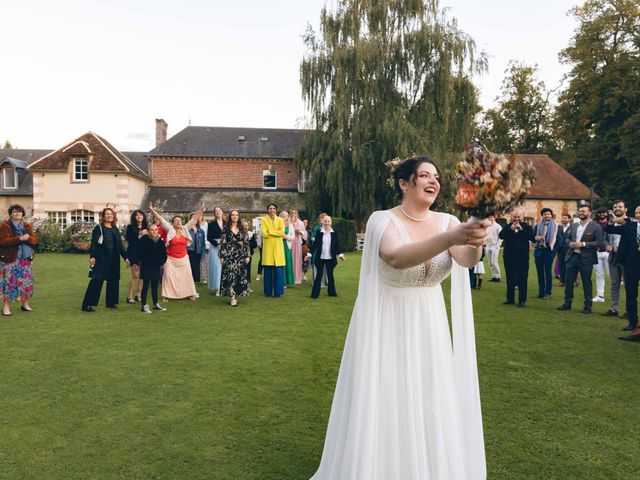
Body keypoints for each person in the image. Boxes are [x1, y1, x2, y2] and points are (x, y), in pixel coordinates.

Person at [310, 156, 488, 479]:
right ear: (404, 183)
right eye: (424, 175)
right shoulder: (382, 221)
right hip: (387, 322)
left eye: (436, 176)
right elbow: (395, 257)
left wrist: (475, 241)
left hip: (429, 323)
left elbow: (465, 259)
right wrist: (452, 238)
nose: (433, 181)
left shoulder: (448, 221)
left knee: (428, 398)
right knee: (389, 395)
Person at [149, 203, 203, 301]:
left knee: (187, 276)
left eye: (180, 220)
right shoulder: (170, 229)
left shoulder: (185, 229)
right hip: (170, 258)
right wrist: (153, 211)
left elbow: (194, 219)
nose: (178, 222)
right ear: (173, 223)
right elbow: (161, 219)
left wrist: (201, 210)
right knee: (168, 276)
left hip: (183, 258)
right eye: (176, 221)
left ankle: (189, 293)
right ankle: (166, 295)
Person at [557, 204, 604, 314]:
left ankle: (588, 306)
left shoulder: (596, 227)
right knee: (568, 281)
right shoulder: (573, 225)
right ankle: (567, 303)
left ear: (590, 213)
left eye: (584, 211)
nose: (581, 213)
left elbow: (599, 242)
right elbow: (566, 239)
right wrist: (570, 243)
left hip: (586, 258)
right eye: (580, 211)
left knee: (586, 282)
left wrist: (582, 244)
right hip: (572, 256)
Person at [81, 207, 129, 312]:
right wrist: (92, 257)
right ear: (103, 216)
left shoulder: (115, 229)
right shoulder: (99, 228)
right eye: (107, 214)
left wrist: (125, 258)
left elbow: (120, 246)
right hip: (101, 259)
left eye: (111, 214)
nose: (109, 216)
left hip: (114, 260)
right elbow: (94, 244)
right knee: (97, 280)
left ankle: (111, 302)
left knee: (113, 281)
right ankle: (87, 304)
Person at [604, 205, 640, 340]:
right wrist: (613, 221)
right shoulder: (629, 226)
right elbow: (608, 229)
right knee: (631, 294)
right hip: (631, 265)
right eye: (636, 211)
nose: (638, 214)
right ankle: (632, 322)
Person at [0, 204, 38, 316]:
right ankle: (6, 307)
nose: (17, 213)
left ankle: (25, 304)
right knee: (8, 283)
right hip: (10, 259)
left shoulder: (26, 226)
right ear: (11, 214)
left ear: (23, 214)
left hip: (25, 259)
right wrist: (19, 238)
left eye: (20, 211)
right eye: (15, 211)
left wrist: (27, 239)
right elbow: (3, 241)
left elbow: (34, 240)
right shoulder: (5, 226)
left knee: (26, 282)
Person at [499, 209, 535, 308]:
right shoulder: (507, 226)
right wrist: (511, 228)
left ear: (522, 217)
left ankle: (522, 300)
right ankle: (510, 299)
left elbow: (532, 237)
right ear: (512, 217)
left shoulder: (527, 227)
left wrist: (521, 230)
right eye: (515, 217)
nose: (516, 219)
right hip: (509, 257)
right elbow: (501, 236)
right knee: (510, 278)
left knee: (522, 279)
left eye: (518, 217)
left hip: (522, 257)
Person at [219, 210, 251, 306]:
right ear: (230, 217)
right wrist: (222, 256)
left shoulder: (243, 229)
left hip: (240, 256)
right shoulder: (225, 229)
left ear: (238, 217)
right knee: (230, 276)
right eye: (233, 215)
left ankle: (236, 296)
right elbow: (222, 243)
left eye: (236, 215)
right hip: (229, 256)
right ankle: (232, 297)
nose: (235, 216)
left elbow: (246, 243)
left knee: (239, 276)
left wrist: (247, 255)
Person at [308, 215, 345, 298]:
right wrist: (310, 254)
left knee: (330, 276)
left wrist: (340, 255)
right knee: (319, 276)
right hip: (320, 258)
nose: (327, 223)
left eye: (328, 221)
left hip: (330, 258)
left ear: (331, 222)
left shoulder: (334, 233)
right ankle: (314, 294)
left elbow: (337, 246)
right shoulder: (319, 233)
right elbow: (315, 245)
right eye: (325, 221)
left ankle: (332, 292)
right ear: (322, 222)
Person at [602, 200, 626, 317]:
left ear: (625, 209)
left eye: (620, 207)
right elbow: (605, 237)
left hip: (626, 258)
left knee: (628, 285)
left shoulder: (630, 222)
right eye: (615, 207)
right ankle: (614, 309)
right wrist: (607, 245)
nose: (618, 208)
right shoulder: (610, 224)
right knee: (614, 284)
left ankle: (628, 311)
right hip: (613, 256)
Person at [138, 222, 168, 313]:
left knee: (155, 285)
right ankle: (144, 305)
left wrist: (161, 262)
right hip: (147, 266)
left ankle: (155, 304)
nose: (154, 231)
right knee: (146, 285)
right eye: (152, 230)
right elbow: (141, 253)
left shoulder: (160, 240)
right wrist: (147, 262)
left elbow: (164, 254)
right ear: (148, 231)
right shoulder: (144, 239)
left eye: (156, 230)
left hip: (156, 266)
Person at [260, 203, 286, 297]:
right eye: (270, 208)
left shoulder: (281, 220)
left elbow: (282, 232)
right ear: (268, 210)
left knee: (278, 272)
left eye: (273, 208)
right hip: (268, 249)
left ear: (276, 210)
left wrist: (270, 231)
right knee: (267, 272)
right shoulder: (263, 220)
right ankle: (268, 292)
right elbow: (264, 233)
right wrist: (276, 232)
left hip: (278, 248)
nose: (272, 210)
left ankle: (278, 292)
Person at [533, 208, 558, 299]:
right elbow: (533, 237)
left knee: (547, 272)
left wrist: (553, 250)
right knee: (539, 272)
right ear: (542, 216)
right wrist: (538, 238)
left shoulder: (556, 226)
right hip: (539, 250)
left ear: (551, 215)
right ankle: (541, 292)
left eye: (548, 214)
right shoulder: (538, 225)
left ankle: (548, 293)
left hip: (549, 251)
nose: (546, 215)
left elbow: (558, 240)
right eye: (544, 214)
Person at [125, 209, 148, 303]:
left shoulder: (147, 227)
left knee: (143, 275)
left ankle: (139, 294)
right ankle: (129, 296)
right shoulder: (130, 227)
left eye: (141, 215)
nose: (139, 217)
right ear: (134, 217)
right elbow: (130, 241)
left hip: (145, 254)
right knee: (135, 275)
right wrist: (139, 236)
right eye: (137, 215)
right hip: (134, 253)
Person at [592, 207, 610, 303]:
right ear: (597, 214)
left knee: (612, 276)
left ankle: (615, 295)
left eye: (604, 213)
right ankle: (600, 295)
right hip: (597, 252)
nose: (602, 214)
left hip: (609, 253)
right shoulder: (594, 225)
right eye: (600, 213)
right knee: (599, 275)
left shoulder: (611, 224)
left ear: (607, 214)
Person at [207, 207, 224, 295]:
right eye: (216, 211)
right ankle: (217, 288)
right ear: (214, 213)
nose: (218, 212)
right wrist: (217, 243)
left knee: (225, 267)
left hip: (226, 247)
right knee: (217, 267)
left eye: (219, 211)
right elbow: (208, 237)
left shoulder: (227, 223)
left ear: (222, 212)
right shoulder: (211, 224)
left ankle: (224, 286)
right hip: (215, 247)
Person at [289, 208, 308, 284]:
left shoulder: (300, 222)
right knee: (290, 259)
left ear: (297, 214)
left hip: (297, 243)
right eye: (292, 213)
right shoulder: (287, 221)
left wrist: (300, 231)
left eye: (295, 213)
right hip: (289, 242)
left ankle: (297, 278)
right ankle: (289, 278)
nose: (293, 214)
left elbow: (305, 234)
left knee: (297, 260)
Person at [187, 213, 206, 283]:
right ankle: (190, 280)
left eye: (195, 218)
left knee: (197, 265)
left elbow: (203, 243)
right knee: (191, 265)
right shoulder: (187, 230)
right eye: (192, 218)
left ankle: (197, 280)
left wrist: (203, 253)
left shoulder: (201, 231)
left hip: (198, 250)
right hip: (189, 250)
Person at [555, 213, 572, 286]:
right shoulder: (559, 228)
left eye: (565, 218)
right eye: (563, 218)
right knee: (561, 265)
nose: (564, 219)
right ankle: (562, 282)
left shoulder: (572, 228)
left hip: (569, 249)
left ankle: (571, 280)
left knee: (569, 266)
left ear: (569, 219)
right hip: (560, 250)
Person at [485, 214, 502, 282]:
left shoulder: (498, 226)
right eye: (489, 217)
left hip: (495, 246)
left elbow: (501, 237)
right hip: (488, 245)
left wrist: (498, 245)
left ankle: (498, 276)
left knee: (494, 262)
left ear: (494, 218)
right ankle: (494, 276)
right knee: (490, 262)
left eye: (491, 217)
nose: (490, 218)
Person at [280, 210, 295, 286]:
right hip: (279, 246)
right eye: (283, 216)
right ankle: (282, 282)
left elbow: (293, 237)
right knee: (280, 263)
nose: (284, 217)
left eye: (285, 215)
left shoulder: (290, 225)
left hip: (287, 246)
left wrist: (286, 237)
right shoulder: (278, 224)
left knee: (288, 262)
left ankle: (288, 281)